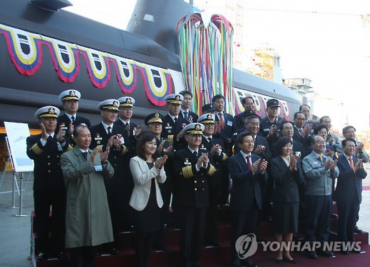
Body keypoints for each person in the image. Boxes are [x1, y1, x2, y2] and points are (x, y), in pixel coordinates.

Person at [61, 124, 114, 267]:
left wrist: (104, 162)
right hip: (79, 204)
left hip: (96, 204)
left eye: (89, 136)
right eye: (83, 136)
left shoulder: (96, 153)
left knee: (93, 247)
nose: (87, 139)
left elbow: (110, 174)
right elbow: (70, 174)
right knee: (78, 245)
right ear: (75, 138)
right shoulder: (67, 156)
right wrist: (89, 163)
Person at [26, 106, 71, 260]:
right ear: (41, 122)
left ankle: (58, 248)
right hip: (42, 187)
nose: (51, 122)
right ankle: (42, 248)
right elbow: (32, 154)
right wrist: (44, 140)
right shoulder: (33, 139)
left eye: (53, 119)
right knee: (42, 219)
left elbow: (71, 154)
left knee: (59, 219)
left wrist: (62, 141)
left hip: (60, 186)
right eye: (47, 119)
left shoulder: (63, 140)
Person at [89, 99, 129, 254]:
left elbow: (127, 151)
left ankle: (112, 243)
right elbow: (90, 151)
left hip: (117, 178)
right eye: (110, 111)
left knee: (115, 212)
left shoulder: (121, 130)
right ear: (102, 112)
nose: (114, 114)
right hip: (99, 175)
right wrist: (107, 145)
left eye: (115, 112)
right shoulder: (93, 130)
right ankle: (98, 244)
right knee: (99, 212)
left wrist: (119, 148)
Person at [173, 123, 217, 267]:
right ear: (186, 137)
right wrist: (197, 166)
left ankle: (196, 259)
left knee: (199, 232)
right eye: (194, 135)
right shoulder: (180, 154)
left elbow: (212, 173)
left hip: (202, 200)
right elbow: (179, 174)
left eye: (199, 135)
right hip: (187, 199)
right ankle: (185, 260)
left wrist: (205, 165)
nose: (197, 138)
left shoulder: (206, 152)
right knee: (187, 233)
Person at [228, 132, 268, 267]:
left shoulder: (258, 158)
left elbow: (264, 180)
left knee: (250, 232)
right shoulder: (233, 160)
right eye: (247, 141)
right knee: (238, 231)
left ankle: (247, 258)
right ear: (240, 145)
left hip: (254, 201)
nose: (251, 144)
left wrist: (262, 172)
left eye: (252, 141)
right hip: (240, 202)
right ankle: (235, 259)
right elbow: (236, 178)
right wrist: (252, 171)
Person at [129, 132, 168, 267]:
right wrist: (155, 168)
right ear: (142, 144)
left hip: (155, 202)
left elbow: (162, 180)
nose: (152, 146)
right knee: (141, 235)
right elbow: (140, 180)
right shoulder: (135, 160)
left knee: (151, 235)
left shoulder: (157, 159)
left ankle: (146, 262)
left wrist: (160, 167)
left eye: (155, 143)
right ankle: (139, 263)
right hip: (141, 203)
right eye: (150, 143)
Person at [302, 135, 339, 259]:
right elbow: (309, 174)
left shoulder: (328, 158)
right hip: (313, 195)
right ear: (312, 145)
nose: (322, 145)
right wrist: (325, 168)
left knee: (324, 223)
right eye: (318, 143)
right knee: (312, 223)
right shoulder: (307, 159)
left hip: (327, 195)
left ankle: (323, 247)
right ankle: (310, 249)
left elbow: (337, 173)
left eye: (323, 143)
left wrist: (332, 169)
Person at [271, 137, 304, 263]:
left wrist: (295, 169)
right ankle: (279, 253)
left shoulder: (296, 160)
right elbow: (278, 179)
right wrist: (288, 168)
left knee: (291, 227)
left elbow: (301, 180)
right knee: (280, 227)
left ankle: (287, 253)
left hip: (294, 198)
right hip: (281, 198)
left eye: (290, 146)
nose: (288, 148)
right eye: (285, 146)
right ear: (280, 148)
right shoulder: (275, 161)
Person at [198, 113, 228, 247]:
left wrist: (219, 154)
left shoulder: (219, 141)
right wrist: (211, 153)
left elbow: (226, 158)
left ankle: (212, 237)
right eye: (207, 124)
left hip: (216, 180)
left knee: (213, 211)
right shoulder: (198, 139)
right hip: (203, 181)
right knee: (202, 211)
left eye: (212, 124)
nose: (210, 127)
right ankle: (202, 237)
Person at [334, 138, 367, 254]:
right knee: (343, 220)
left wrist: (360, 168)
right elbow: (341, 176)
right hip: (344, 195)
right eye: (349, 146)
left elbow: (363, 175)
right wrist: (354, 169)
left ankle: (351, 244)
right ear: (343, 147)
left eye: (353, 146)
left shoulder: (356, 158)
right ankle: (342, 245)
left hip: (356, 195)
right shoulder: (339, 160)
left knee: (352, 221)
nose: (352, 148)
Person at [115, 96, 142, 230]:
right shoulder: (115, 126)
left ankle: (131, 221)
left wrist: (137, 138)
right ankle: (122, 223)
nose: (128, 111)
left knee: (133, 195)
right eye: (125, 108)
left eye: (130, 108)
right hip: (120, 167)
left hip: (134, 168)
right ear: (119, 110)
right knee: (121, 198)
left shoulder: (135, 127)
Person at [340, 125, 369, 233]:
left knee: (354, 213)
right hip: (345, 189)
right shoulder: (341, 148)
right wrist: (354, 169)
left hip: (356, 186)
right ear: (344, 134)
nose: (351, 134)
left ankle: (353, 227)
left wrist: (360, 151)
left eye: (353, 132)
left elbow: (365, 160)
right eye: (349, 132)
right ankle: (343, 242)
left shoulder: (357, 146)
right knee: (344, 218)